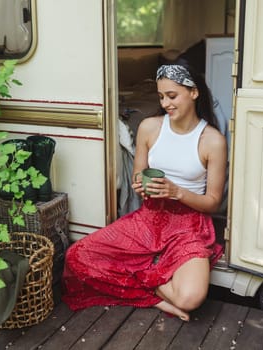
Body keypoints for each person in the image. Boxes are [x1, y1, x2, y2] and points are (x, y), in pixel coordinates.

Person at [62, 61, 227, 321]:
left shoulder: (212, 140)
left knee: (189, 298)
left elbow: (213, 202)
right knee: (77, 256)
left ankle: (143, 272)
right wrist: (139, 184)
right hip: (150, 219)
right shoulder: (149, 127)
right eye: (161, 96)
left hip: (189, 225)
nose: (165, 104)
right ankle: (157, 297)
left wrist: (177, 192)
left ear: (193, 93)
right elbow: (138, 176)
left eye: (172, 96)